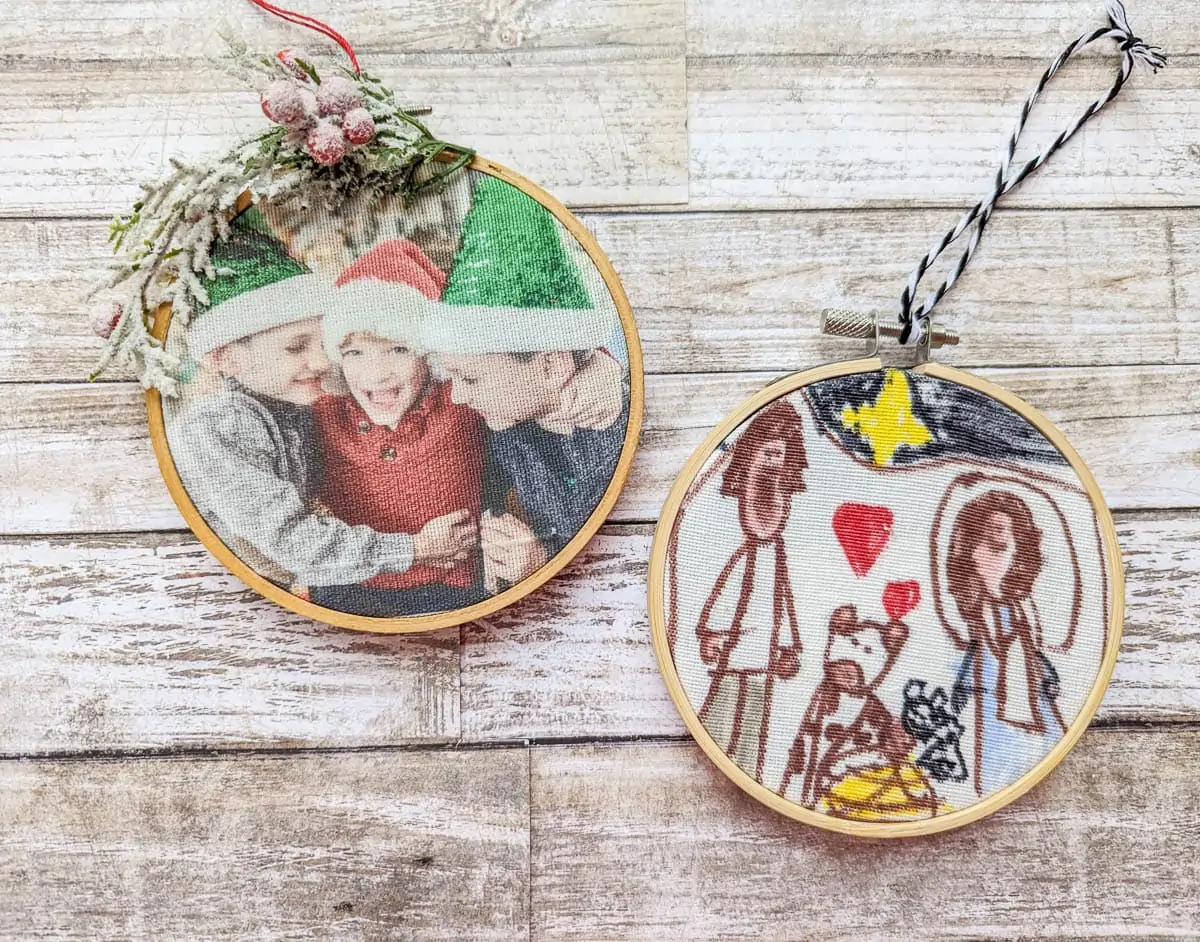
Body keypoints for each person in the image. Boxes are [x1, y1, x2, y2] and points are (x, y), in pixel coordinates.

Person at [168, 218, 472, 594]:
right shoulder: (217, 425)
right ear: (225, 358)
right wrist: (412, 549)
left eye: (321, 343)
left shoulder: (292, 402)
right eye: (296, 347)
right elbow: (294, 541)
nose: (322, 361)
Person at [421, 174, 629, 592]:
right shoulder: (507, 427)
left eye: (471, 378)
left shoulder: (611, 432)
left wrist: (541, 566)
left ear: (551, 368)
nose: (458, 395)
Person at [308, 239, 484, 617]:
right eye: (355, 352)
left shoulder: (462, 400)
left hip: (452, 589)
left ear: (429, 355)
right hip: (346, 590)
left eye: (399, 349)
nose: (376, 373)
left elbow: (525, 357)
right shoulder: (320, 415)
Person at [691, 400, 807, 784]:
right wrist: (711, 635)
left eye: (781, 491)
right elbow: (726, 596)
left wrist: (790, 645)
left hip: (764, 659)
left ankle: (749, 771)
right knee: (724, 711)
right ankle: (735, 766)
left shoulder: (778, 556)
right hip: (735, 654)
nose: (774, 505)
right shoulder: (746, 555)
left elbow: (785, 601)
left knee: (755, 718)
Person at [943, 489, 1069, 795]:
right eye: (995, 544)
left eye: (1015, 545)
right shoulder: (978, 617)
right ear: (968, 550)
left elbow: (1029, 655)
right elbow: (978, 654)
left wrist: (1047, 675)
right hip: (990, 710)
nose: (1008, 554)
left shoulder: (1019, 612)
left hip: (1029, 711)